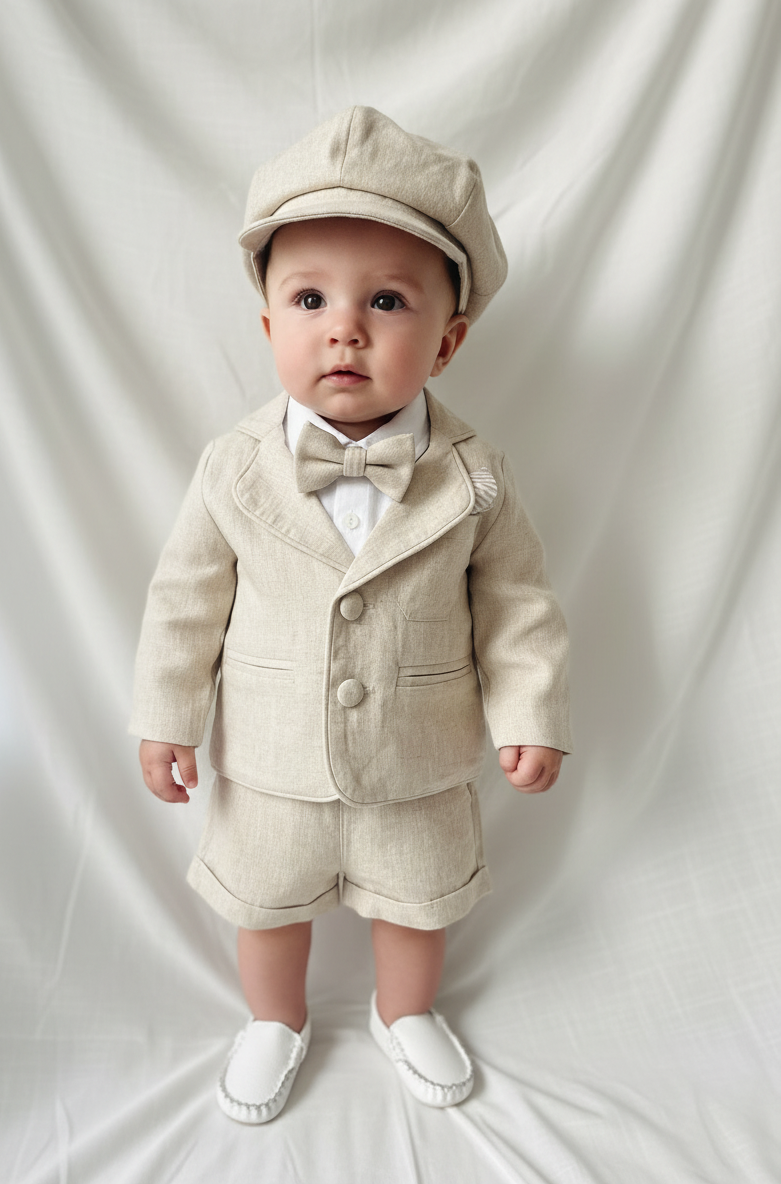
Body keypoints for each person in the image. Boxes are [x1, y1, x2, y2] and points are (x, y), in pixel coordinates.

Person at [130, 106, 571, 1123]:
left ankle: (403, 1010)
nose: (345, 328)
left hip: (419, 758)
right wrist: (166, 714)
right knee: (264, 902)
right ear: (268, 326)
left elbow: (517, 604)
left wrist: (532, 712)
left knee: (418, 902)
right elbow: (184, 599)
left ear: (448, 342)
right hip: (269, 758)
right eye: (310, 297)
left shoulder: (476, 476)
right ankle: (273, 1021)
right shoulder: (233, 467)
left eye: (386, 300)